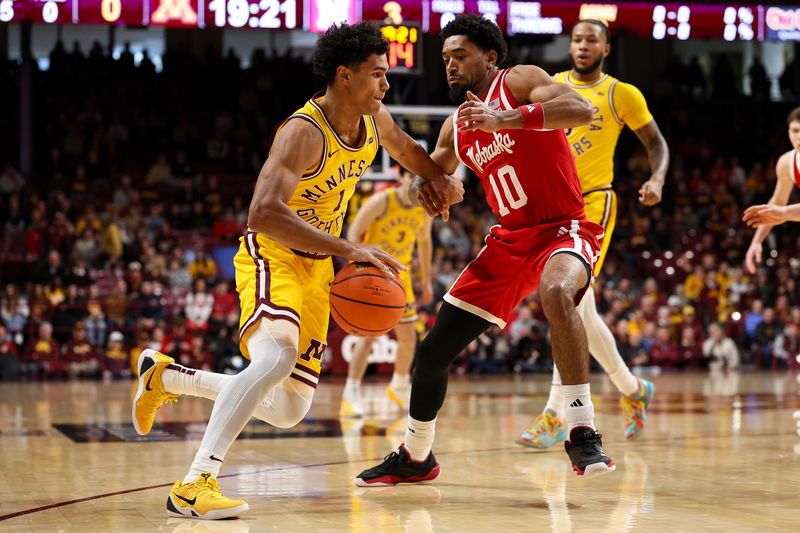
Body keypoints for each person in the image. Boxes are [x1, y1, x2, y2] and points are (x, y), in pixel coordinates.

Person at [130, 22, 462, 520]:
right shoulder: (303, 132)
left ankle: (169, 378)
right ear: (344, 76)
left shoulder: (374, 119)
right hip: (273, 253)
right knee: (276, 358)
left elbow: (408, 151)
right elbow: (261, 212)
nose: (386, 85)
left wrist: (442, 180)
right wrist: (349, 248)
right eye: (377, 75)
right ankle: (195, 482)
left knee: (288, 409)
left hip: (319, 270)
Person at [355, 14, 614, 487]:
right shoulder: (457, 125)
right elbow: (431, 175)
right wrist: (432, 190)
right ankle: (416, 455)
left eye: (460, 55)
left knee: (556, 293)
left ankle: (581, 428)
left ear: (489, 57)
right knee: (432, 352)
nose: (450, 65)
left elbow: (581, 110)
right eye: (446, 58)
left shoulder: (518, 81)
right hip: (510, 240)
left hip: (563, 228)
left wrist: (506, 119)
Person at [517, 19, 669, 448]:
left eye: (592, 41)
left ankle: (554, 414)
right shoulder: (551, 85)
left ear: (605, 48)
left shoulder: (621, 93)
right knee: (582, 312)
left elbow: (656, 142)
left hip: (594, 204)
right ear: (569, 46)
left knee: (565, 301)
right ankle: (633, 390)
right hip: (549, 205)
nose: (583, 46)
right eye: (577, 40)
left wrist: (656, 178)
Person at [340, 168, 433, 417]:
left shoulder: (424, 208)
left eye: (420, 177)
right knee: (368, 336)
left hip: (400, 280)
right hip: (375, 275)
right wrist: (361, 269)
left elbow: (424, 242)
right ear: (400, 177)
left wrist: (426, 281)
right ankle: (351, 393)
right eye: (411, 176)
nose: (416, 181)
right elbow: (351, 234)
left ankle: (399, 386)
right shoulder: (381, 201)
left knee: (409, 337)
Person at [744, 106, 800, 274]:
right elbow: (777, 201)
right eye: (795, 130)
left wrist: (784, 213)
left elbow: (781, 209)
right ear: (789, 132)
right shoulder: (787, 162)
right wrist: (756, 241)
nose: (799, 136)